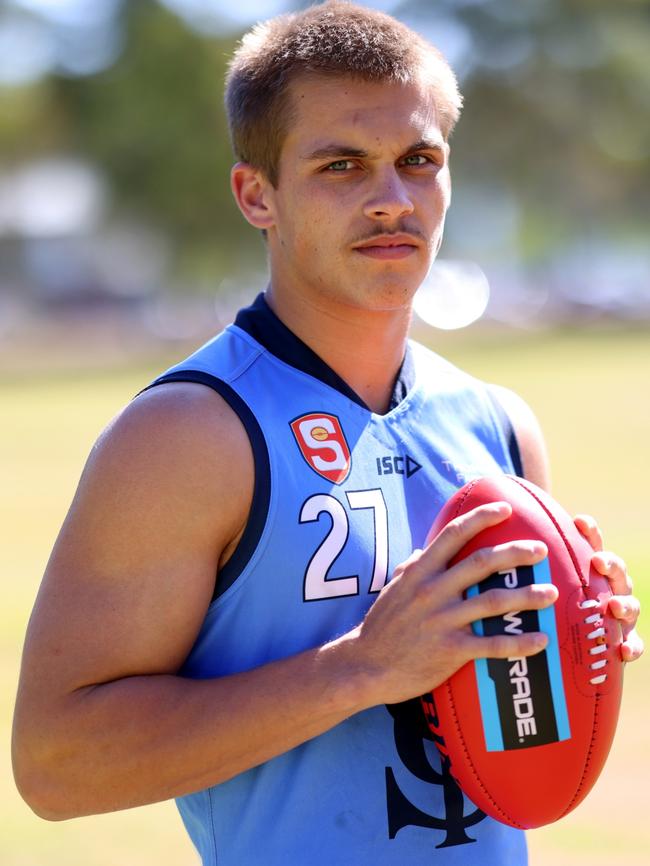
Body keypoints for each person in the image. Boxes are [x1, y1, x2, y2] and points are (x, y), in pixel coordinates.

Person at [12, 3, 643, 865]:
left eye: (419, 160)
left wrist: (575, 637)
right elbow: (57, 767)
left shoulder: (497, 423)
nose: (392, 199)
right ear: (256, 194)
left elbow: (507, 724)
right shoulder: (191, 433)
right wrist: (365, 667)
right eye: (343, 165)